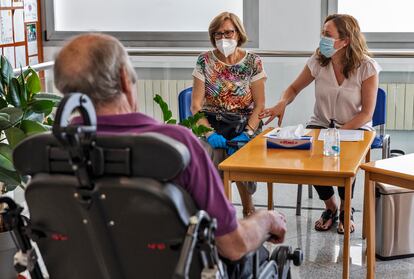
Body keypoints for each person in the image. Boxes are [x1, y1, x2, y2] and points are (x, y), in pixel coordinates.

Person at [53, 33, 286, 276]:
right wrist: (266, 219)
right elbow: (233, 245)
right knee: (264, 257)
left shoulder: (50, 150)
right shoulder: (175, 145)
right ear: (124, 79)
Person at [259, 14, 381, 234]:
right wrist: (281, 103)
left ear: (345, 41)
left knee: (346, 159)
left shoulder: (367, 67)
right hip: (321, 123)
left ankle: (346, 209)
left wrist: (336, 134)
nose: (322, 38)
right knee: (310, 155)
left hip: (355, 126)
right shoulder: (318, 61)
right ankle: (331, 206)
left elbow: (366, 113)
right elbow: (293, 88)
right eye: (322, 33)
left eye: (328, 34)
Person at [191, 12, 266, 217]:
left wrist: (248, 132)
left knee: (242, 155)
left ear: (238, 33)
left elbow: (259, 105)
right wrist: (209, 134)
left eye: (228, 33)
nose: (223, 39)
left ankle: (248, 208)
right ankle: (219, 212)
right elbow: (196, 106)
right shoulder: (204, 61)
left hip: (245, 124)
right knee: (209, 154)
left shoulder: (253, 62)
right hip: (213, 124)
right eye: (218, 34)